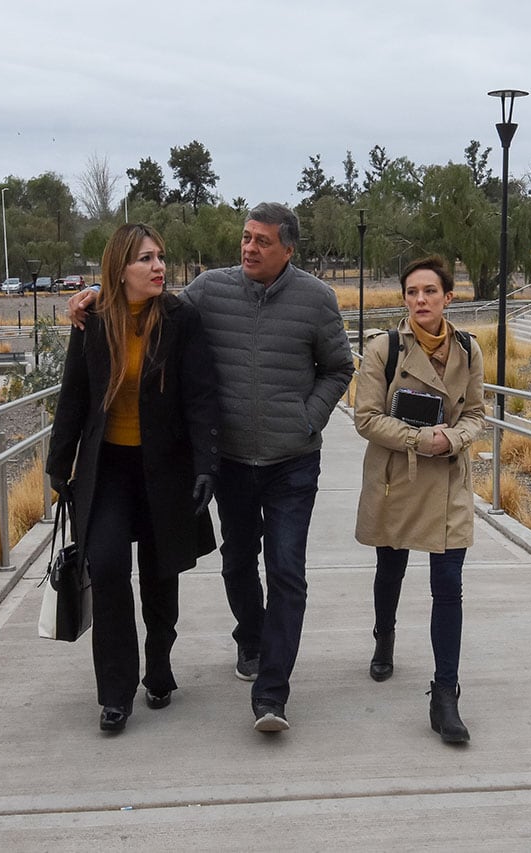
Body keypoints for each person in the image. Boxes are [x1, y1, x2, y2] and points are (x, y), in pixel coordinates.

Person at [68, 203, 354, 734]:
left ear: (288, 249)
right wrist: (91, 298)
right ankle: (249, 636)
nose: (249, 248)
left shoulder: (317, 299)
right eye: (246, 238)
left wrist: (307, 418)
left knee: (287, 570)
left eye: (262, 242)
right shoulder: (208, 291)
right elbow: (143, 301)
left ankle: (271, 693)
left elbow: (339, 366)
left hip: (291, 462)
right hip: (232, 464)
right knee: (238, 562)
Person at [47, 223, 221, 735]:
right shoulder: (94, 320)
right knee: (106, 570)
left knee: (160, 573)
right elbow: (74, 395)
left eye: (161, 257)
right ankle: (115, 693)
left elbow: (201, 396)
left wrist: (207, 464)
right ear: (120, 268)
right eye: (146, 259)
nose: (158, 267)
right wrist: (60, 465)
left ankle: (159, 666)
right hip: (108, 472)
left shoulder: (181, 319)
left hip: (165, 470)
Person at [352, 255, 486, 744]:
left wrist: (451, 440)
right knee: (391, 567)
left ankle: (445, 693)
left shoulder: (469, 350)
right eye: (412, 292)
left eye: (430, 291)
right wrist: (417, 439)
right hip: (400, 478)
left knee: (448, 585)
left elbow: (476, 412)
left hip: (449, 480)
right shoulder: (382, 349)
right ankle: (383, 635)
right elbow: (365, 418)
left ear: (448, 297)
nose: (420, 300)